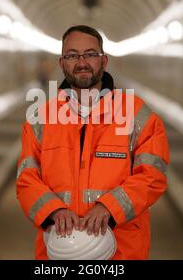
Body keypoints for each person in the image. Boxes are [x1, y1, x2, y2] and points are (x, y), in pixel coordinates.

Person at [16, 25, 169, 260]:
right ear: (62, 63)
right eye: (72, 55)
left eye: (90, 54)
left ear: (104, 61)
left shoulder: (137, 114)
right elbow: (26, 179)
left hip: (122, 253)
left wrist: (109, 207)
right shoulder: (41, 118)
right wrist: (54, 210)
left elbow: (152, 175)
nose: (82, 62)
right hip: (58, 253)